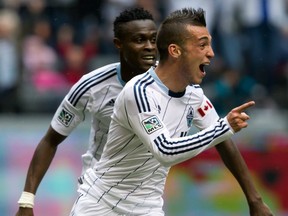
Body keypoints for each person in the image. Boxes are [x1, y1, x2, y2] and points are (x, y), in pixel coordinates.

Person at [70, 8, 274, 216]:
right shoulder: (139, 92)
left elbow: (223, 141)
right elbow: (165, 151)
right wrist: (224, 126)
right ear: (175, 51)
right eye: (202, 45)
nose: (211, 53)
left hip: (148, 209)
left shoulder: (194, 95)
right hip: (101, 206)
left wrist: (255, 200)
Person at [16, 7, 158, 216]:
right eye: (139, 40)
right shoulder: (92, 86)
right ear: (118, 44)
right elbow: (50, 140)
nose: (149, 47)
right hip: (97, 197)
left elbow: (216, 132)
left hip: (145, 201)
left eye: (153, 40)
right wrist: (27, 200)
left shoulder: (170, 85)